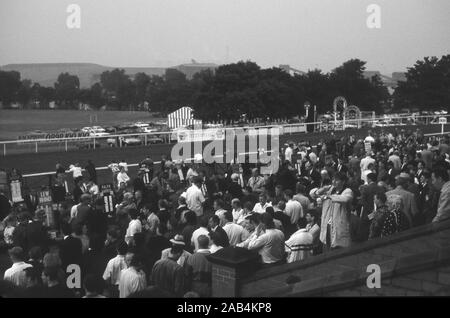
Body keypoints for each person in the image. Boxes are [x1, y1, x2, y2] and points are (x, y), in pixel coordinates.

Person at [319, 172, 353, 251]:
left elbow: (345, 199)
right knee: (327, 249)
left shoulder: (347, 191)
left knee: (339, 250)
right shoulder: (330, 190)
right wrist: (323, 189)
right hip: (327, 225)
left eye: (337, 180)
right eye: (333, 179)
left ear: (343, 182)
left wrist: (329, 196)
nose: (334, 182)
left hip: (339, 226)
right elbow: (313, 194)